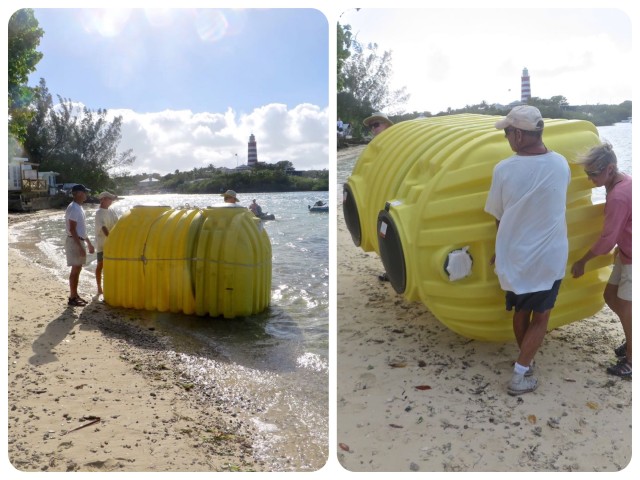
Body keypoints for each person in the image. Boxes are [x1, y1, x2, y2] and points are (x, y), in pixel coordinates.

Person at [484, 105, 571, 395]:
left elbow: (498, 215)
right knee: (541, 316)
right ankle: (522, 370)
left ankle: (524, 366)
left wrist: (502, 248)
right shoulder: (561, 164)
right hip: (548, 257)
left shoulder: (504, 169)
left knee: (521, 312)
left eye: (508, 132)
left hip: (516, 258)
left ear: (519, 135)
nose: (507, 138)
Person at [570, 142, 632, 378]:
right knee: (610, 296)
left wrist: (582, 261)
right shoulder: (621, 180)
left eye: (593, 174)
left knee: (627, 307)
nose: (589, 180)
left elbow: (607, 239)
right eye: (587, 174)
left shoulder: (618, 195)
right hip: (626, 254)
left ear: (610, 168)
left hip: (632, 259)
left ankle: (631, 362)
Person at [65, 184, 95, 306]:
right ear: (78, 193)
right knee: (75, 269)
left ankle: (75, 294)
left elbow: (81, 230)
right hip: (74, 241)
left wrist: (88, 243)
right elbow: (72, 229)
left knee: (78, 268)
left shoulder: (78, 207)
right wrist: (79, 247)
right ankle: (72, 297)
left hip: (78, 240)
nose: (86, 195)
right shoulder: (73, 208)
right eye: (84, 192)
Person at [94, 191, 119, 298]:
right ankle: (99, 287)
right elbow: (104, 228)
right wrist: (111, 239)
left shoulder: (112, 211)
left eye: (112, 199)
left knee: (112, 265)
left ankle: (111, 286)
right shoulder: (99, 213)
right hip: (102, 244)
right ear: (103, 199)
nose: (112, 201)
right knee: (101, 264)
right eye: (109, 199)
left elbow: (118, 225)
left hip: (112, 243)